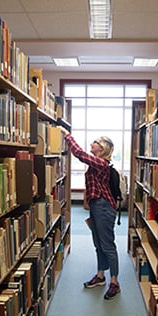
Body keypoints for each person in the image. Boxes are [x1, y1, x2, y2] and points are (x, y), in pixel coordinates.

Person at [59, 126, 120, 300]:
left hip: (103, 207)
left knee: (107, 245)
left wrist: (66, 135)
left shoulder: (101, 163)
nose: (91, 144)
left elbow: (79, 154)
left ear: (101, 148)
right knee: (98, 244)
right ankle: (101, 276)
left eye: (94, 142)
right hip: (96, 206)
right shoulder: (97, 164)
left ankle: (114, 281)